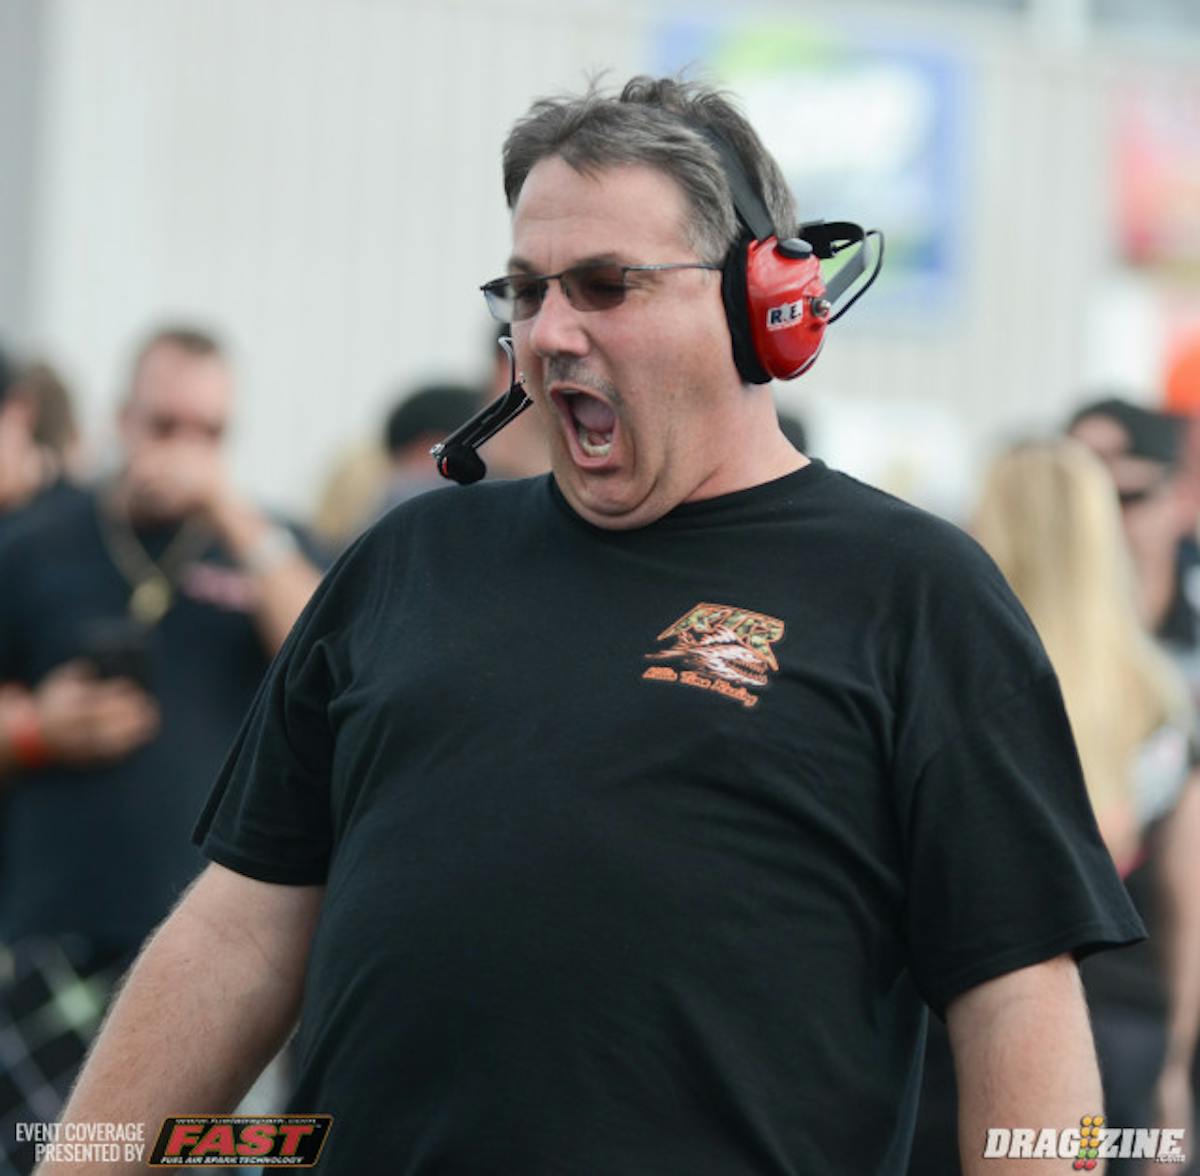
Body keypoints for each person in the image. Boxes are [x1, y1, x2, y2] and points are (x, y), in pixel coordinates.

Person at [41, 78, 1141, 1176]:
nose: (550, 333)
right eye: (526, 291)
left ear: (762, 301)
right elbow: (239, 931)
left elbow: (1021, 999)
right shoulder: (406, 561)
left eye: (606, 285)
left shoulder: (917, 592)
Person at [0, 325, 323, 1175]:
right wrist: (37, 728)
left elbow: (334, 669)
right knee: (46, 1155)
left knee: (209, 1164)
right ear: (121, 420)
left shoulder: (269, 542)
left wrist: (232, 513)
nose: (184, 449)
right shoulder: (35, 542)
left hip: (228, 953)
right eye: (164, 424)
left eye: (209, 431)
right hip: (59, 933)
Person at [911, 440, 1200, 1172]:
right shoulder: (1157, 699)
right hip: (1121, 1033)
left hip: (961, 1027)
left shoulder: (948, 685)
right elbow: (1185, 904)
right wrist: (1173, 1069)